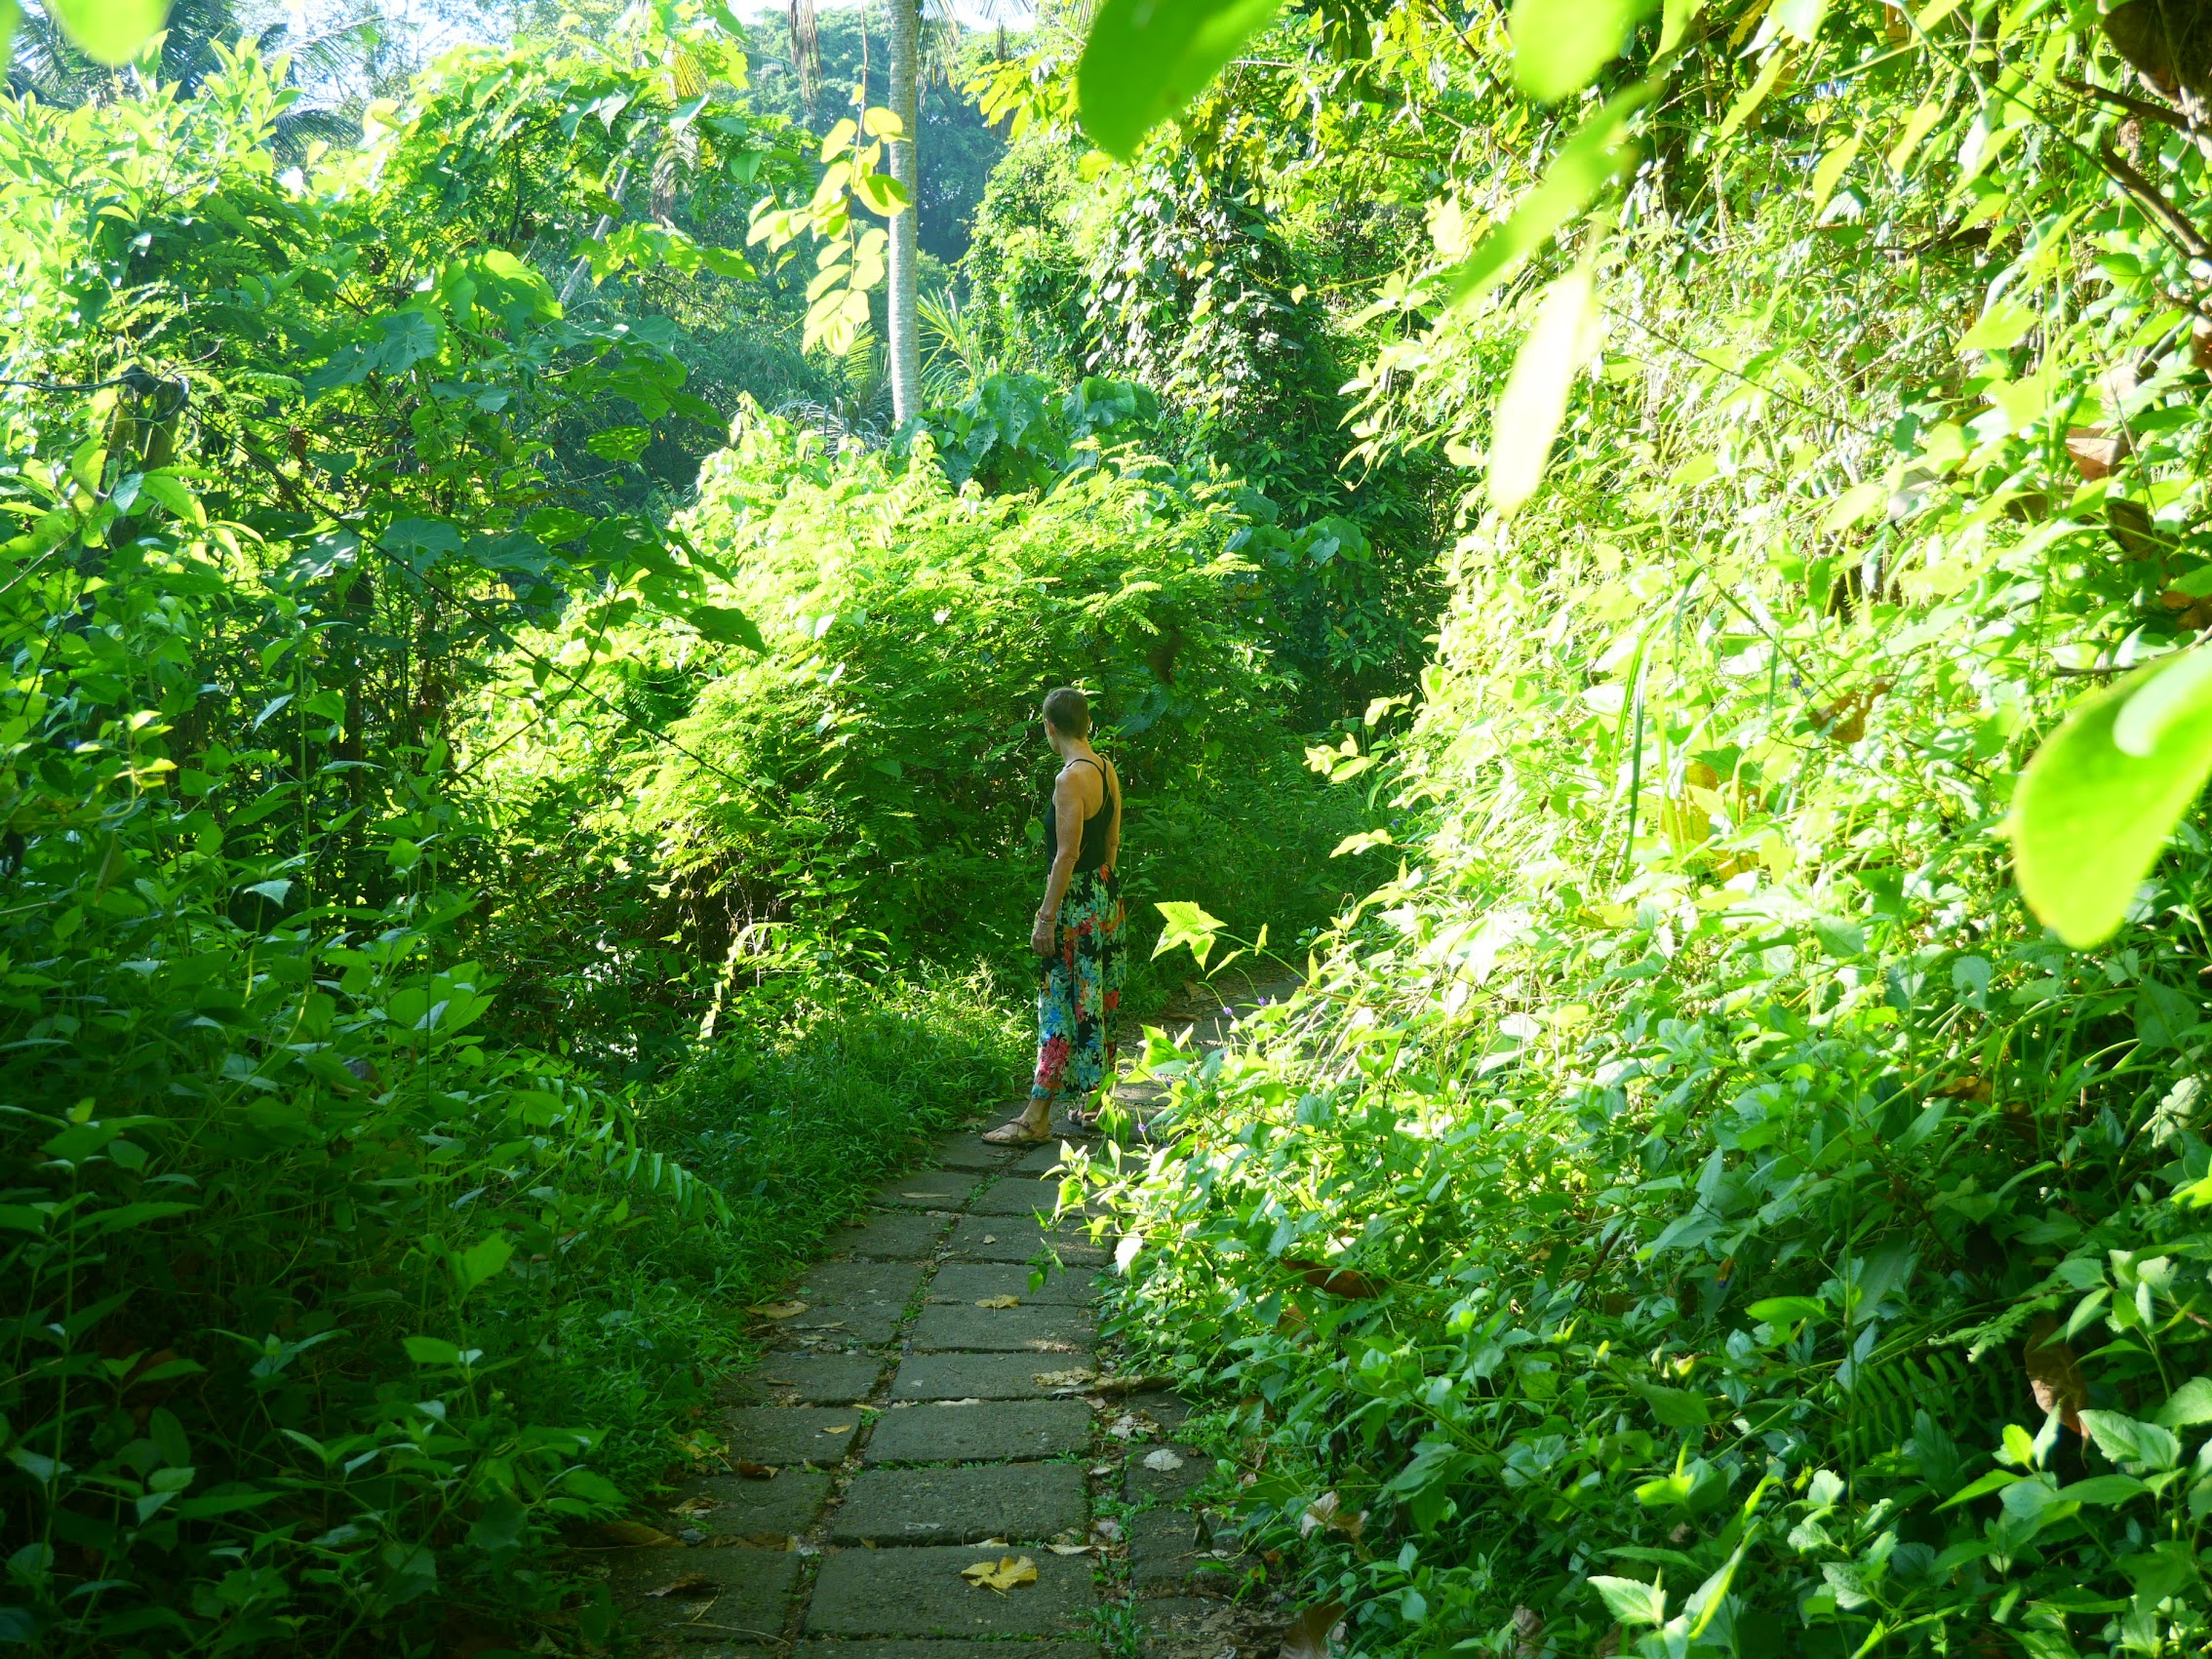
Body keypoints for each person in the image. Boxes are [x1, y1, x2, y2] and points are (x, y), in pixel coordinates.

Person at [984, 686, 1126, 1144]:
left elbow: (1066, 855)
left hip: (1075, 905)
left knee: (1059, 1005)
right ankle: (1096, 1103)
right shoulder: (1105, 767)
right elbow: (1111, 843)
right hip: (1104, 896)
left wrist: (1047, 917)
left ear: (1049, 727)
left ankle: (1036, 1118)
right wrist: (1102, 897)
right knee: (1096, 1000)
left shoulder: (1069, 780)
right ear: (1086, 723)